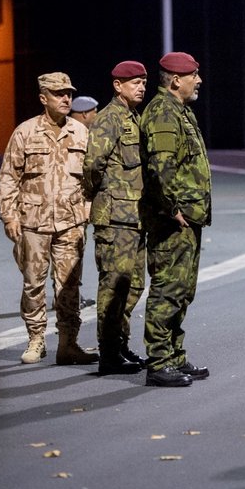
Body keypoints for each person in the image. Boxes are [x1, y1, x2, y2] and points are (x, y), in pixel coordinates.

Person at [0, 72, 97, 365]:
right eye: (58, 93)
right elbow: (8, 178)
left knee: (69, 285)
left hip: (71, 221)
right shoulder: (25, 132)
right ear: (44, 98)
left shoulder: (80, 132)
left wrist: (89, 208)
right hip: (33, 222)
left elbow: (92, 176)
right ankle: (36, 339)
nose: (66, 98)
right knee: (33, 284)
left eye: (68, 93)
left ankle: (68, 343)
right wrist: (9, 216)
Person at [140, 52, 211, 388]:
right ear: (175, 79)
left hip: (187, 215)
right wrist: (171, 208)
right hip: (173, 219)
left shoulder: (180, 111)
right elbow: (160, 167)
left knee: (183, 289)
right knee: (167, 288)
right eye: (194, 75)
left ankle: (174, 355)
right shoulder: (163, 112)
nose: (199, 81)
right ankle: (159, 361)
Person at [83, 61, 149, 375]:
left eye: (143, 83)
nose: (140, 87)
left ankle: (120, 344)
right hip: (114, 217)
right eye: (134, 82)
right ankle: (108, 355)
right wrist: (101, 196)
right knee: (113, 284)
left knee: (134, 285)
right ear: (117, 85)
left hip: (135, 216)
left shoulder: (134, 118)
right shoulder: (109, 119)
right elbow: (92, 164)